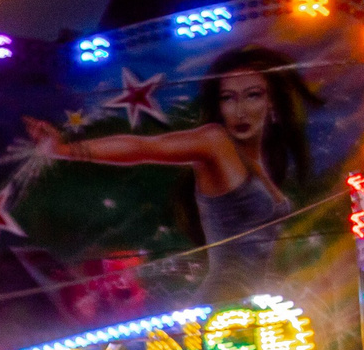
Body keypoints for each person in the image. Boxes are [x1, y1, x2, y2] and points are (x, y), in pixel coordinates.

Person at [27, 45, 316, 296]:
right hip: (224, 301)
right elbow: (144, 147)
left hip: (253, 302)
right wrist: (65, 150)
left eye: (252, 95)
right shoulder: (215, 142)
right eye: (228, 98)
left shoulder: (258, 162)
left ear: (272, 103)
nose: (239, 110)